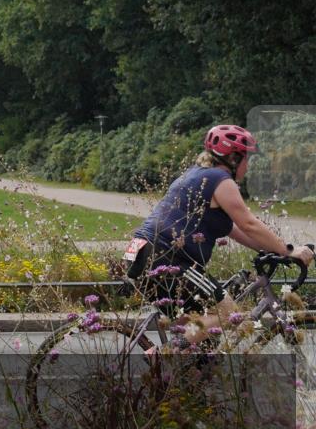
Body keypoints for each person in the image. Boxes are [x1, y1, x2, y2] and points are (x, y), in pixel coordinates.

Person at [125, 124, 314, 346]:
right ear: (233, 158)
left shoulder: (196, 175)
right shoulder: (221, 180)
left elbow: (235, 229)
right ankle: (166, 355)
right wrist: (288, 250)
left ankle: (176, 364)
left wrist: (271, 250)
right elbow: (249, 223)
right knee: (228, 314)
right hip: (167, 257)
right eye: (247, 159)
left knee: (200, 328)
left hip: (141, 252)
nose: (248, 166)